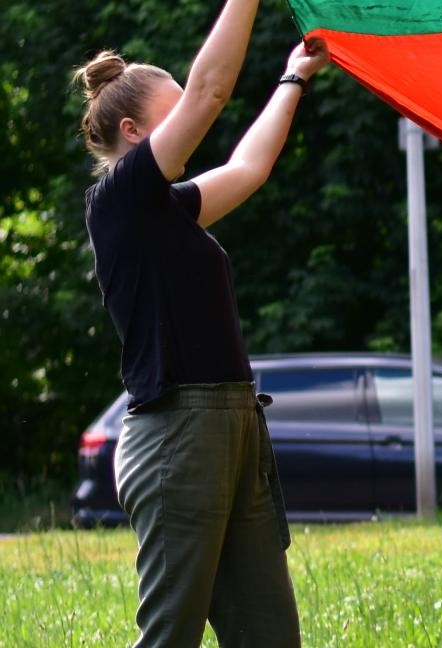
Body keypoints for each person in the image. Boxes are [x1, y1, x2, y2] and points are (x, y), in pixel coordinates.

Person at [78, 0, 330, 641]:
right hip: (177, 437)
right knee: (172, 635)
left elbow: (249, 170)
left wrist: (293, 78)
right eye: (176, 101)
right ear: (135, 132)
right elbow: (213, 91)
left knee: (271, 636)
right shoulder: (120, 200)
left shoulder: (164, 208)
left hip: (233, 424)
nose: (191, 106)